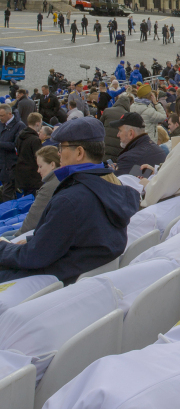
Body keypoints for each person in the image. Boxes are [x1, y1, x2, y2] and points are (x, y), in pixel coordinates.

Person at [0, 117, 139, 284]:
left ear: (79, 152)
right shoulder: (111, 186)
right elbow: (82, 235)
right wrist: (34, 241)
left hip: (54, 279)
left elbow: (33, 257)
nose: (58, 153)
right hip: (78, 273)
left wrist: (2, 247)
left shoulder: (71, 199)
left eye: (61, 147)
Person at [18, 144, 61, 234]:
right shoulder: (60, 179)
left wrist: (15, 237)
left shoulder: (49, 187)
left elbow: (32, 221)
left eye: (40, 166)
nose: (38, 170)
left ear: (52, 165)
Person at [0, 101, 25, 201]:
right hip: (2, 164)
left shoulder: (19, 126)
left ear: (9, 114)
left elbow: (16, 145)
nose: (0, 118)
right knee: (8, 192)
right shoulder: (2, 124)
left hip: (11, 165)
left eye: (2, 115)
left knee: (7, 193)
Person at [15, 112, 44, 196]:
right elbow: (39, 158)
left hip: (22, 173)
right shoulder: (35, 140)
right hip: (33, 175)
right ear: (37, 123)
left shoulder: (20, 136)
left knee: (27, 197)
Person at [101, 91, 133, 161]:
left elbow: (100, 125)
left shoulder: (107, 111)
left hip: (105, 144)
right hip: (119, 147)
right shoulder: (127, 115)